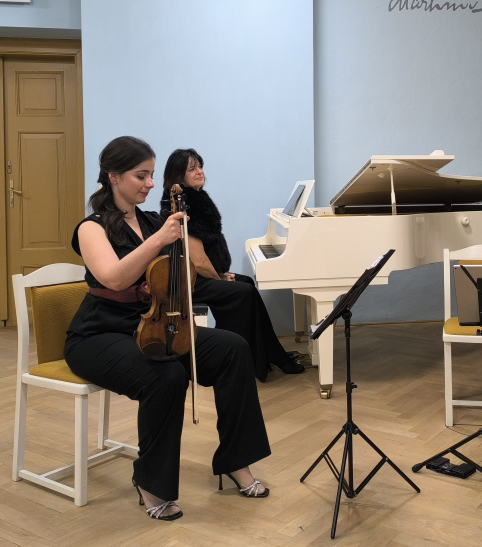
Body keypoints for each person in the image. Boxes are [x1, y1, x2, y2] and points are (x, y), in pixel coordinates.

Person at [65, 136, 271, 522]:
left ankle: (236, 460)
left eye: (151, 175)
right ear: (113, 177)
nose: (149, 183)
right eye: (140, 175)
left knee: (232, 349)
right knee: (167, 374)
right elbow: (114, 278)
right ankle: (151, 482)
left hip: (155, 323)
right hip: (99, 334)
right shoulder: (92, 228)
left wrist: (184, 260)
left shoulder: (150, 221)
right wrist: (161, 239)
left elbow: (172, 279)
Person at [161, 148, 304, 381]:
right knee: (242, 291)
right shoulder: (182, 206)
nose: (200, 172)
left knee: (245, 283)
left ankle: (264, 355)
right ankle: (258, 357)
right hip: (189, 281)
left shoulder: (195, 198)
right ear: (179, 176)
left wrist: (220, 274)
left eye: (200, 166)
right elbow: (197, 260)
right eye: (192, 169)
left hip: (202, 275)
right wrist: (219, 277)